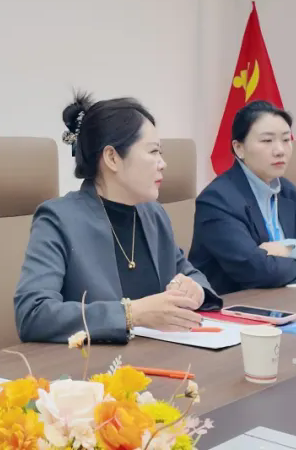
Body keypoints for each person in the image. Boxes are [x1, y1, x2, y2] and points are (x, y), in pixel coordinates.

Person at [14, 92, 222, 343]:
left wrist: (196, 290)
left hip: (159, 356)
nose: (163, 164)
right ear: (112, 158)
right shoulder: (59, 220)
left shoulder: (153, 214)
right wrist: (132, 314)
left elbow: (188, 272)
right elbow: (33, 313)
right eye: (153, 152)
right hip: (93, 363)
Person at [190, 101, 296, 292]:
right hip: (238, 303)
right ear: (239, 148)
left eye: (286, 139)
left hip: (286, 296)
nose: (280, 150)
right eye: (267, 141)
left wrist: (288, 248)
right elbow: (256, 270)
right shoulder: (217, 199)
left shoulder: (286, 190)